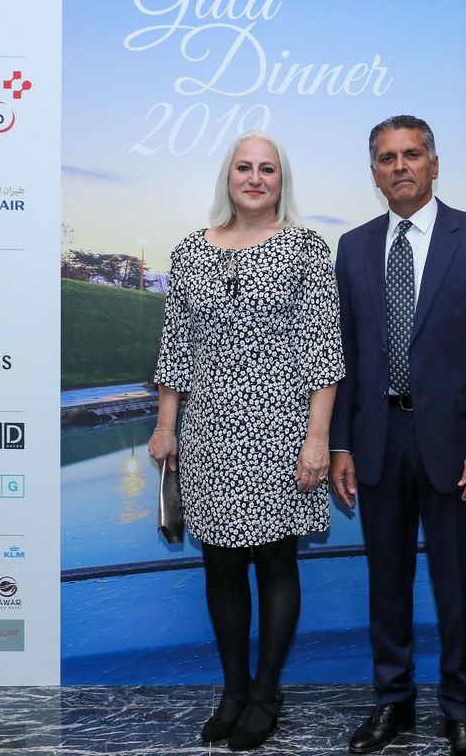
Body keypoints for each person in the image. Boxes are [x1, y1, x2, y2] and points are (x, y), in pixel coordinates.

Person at [330, 115, 466, 756]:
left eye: (412, 154)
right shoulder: (353, 247)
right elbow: (344, 357)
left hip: (457, 446)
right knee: (386, 584)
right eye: (387, 158)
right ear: (374, 172)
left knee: (457, 587)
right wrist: (341, 445)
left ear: (434, 164)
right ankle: (394, 704)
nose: (400, 166)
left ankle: (460, 710)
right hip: (378, 439)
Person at [149, 130, 344, 751]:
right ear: (227, 177)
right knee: (222, 566)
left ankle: (265, 693)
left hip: (281, 431)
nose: (255, 178)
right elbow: (175, 346)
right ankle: (233, 689)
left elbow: (324, 354)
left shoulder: (306, 249)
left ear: (281, 180)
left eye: (267, 169)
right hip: (209, 433)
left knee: (276, 563)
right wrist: (165, 425)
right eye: (244, 167)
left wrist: (317, 439)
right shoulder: (189, 250)